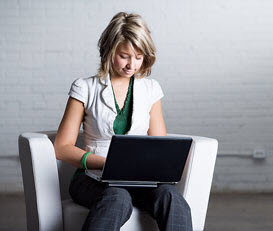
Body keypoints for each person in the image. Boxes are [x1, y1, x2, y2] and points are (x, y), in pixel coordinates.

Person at [54, 12, 193, 231]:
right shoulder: (84, 88)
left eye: (138, 57)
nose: (132, 65)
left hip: (139, 179)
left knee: (172, 198)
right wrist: (105, 163)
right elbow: (61, 148)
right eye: (124, 56)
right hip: (92, 178)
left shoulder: (151, 90)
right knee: (117, 198)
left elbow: (159, 144)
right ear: (109, 52)